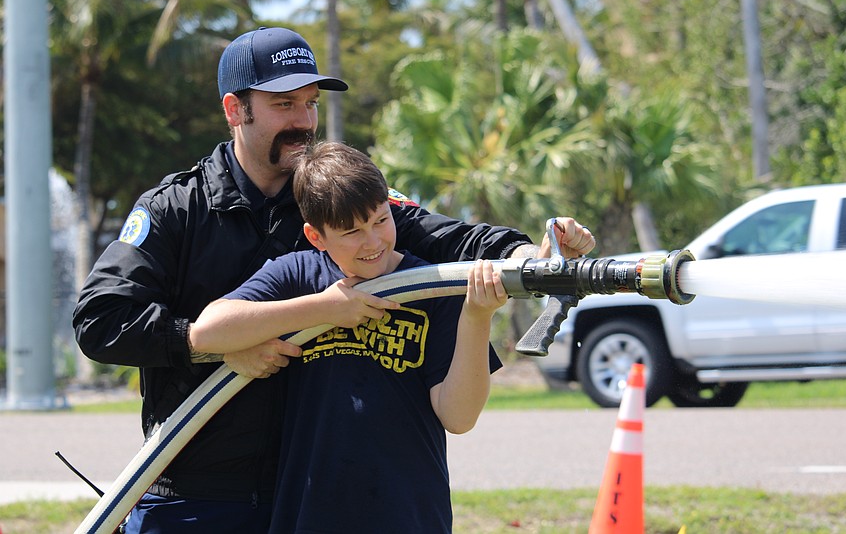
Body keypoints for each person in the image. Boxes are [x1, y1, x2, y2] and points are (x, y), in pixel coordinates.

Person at [73, 26, 595, 532]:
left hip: (306, 500)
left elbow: (458, 241)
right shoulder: (175, 209)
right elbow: (101, 322)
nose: (304, 121)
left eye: (311, 103)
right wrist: (211, 347)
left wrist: (533, 255)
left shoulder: (347, 207)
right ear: (235, 110)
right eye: (284, 105)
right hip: (194, 499)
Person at [190, 141, 507, 532]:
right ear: (315, 236)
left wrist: (477, 315)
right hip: (307, 519)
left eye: (380, 220)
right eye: (352, 232)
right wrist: (324, 308)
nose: (372, 242)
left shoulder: (431, 288)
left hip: (410, 518)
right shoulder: (298, 276)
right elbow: (207, 331)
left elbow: (459, 418)